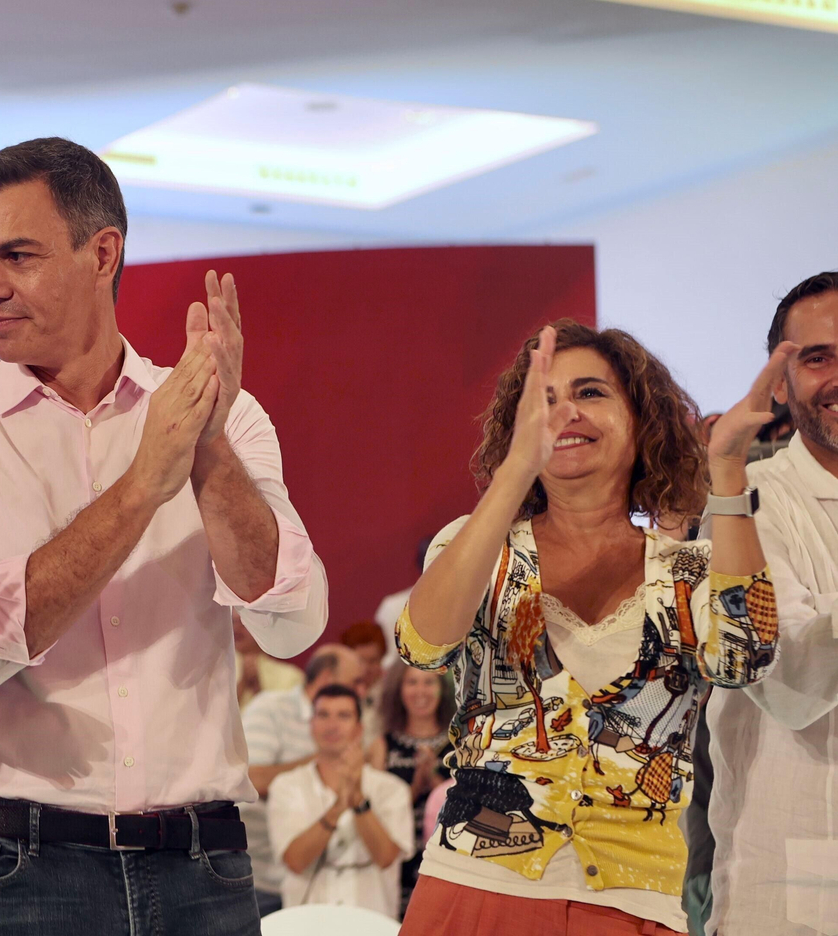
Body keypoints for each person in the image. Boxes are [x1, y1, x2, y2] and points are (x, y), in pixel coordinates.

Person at [0, 137, 330, 936]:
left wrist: (209, 448)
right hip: (12, 863)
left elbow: (292, 620)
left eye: (17, 256)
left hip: (203, 861)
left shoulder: (216, 410)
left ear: (103, 253)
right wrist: (142, 485)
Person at [395, 320, 783, 936]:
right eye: (545, 398)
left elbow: (746, 659)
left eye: (591, 393)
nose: (566, 411)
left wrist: (729, 469)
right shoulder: (480, 548)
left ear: (642, 420)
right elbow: (421, 645)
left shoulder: (686, 571)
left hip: (635, 903)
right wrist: (516, 471)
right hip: (473, 887)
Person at [686, 271, 838, 936]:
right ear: (780, 383)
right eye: (818, 357)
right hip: (790, 886)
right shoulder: (748, 504)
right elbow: (790, 680)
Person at [267, 683, 414, 918]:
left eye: (343, 716)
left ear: (359, 728)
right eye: (323, 715)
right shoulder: (286, 786)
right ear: (311, 724)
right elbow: (295, 861)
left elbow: (386, 857)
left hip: (372, 922)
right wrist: (338, 807)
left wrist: (358, 800)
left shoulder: (392, 789)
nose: (332, 725)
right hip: (306, 924)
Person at [242, 644, 362, 915]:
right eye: (356, 681)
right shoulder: (270, 708)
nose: (362, 690)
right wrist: (323, 757)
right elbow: (249, 781)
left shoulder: (359, 720)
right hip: (260, 875)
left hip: (327, 879)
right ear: (327, 677)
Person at [368, 662, 456, 915]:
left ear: (442, 689)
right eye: (412, 682)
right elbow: (376, 814)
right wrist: (416, 785)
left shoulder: (460, 743)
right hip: (399, 859)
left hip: (446, 857)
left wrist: (434, 782)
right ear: (398, 690)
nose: (421, 691)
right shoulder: (383, 745)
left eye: (429, 682)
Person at [235, 608, 304, 710]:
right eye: (233, 622)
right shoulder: (215, 669)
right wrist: (241, 686)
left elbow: (288, 717)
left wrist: (257, 689)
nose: (236, 628)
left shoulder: (290, 676)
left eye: (242, 622)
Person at [341, 619, 389, 745]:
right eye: (360, 660)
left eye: (373, 661)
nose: (366, 668)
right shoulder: (336, 693)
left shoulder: (393, 692)